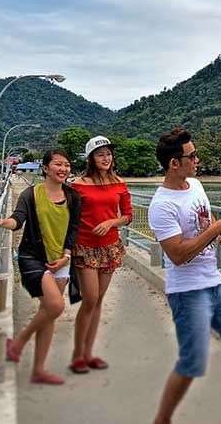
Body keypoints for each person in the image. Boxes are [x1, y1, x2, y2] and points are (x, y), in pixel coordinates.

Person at [147, 128, 221, 424]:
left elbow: (205, 225)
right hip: (188, 291)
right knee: (192, 362)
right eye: (192, 155)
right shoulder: (161, 205)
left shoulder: (196, 185)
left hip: (215, 282)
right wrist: (213, 231)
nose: (197, 160)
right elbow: (178, 255)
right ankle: (162, 419)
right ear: (174, 163)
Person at [0, 148, 81, 385]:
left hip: (60, 259)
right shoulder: (31, 194)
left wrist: (67, 256)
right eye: (58, 164)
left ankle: (38, 369)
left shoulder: (72, 197)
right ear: (46, 168)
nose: (63, 169)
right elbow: (18, 219)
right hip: (32, 257)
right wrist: (2, 222)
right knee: (56, 306)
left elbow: (73, 231)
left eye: (67, 165)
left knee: (48, 313)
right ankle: (19, 342)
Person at [69, 135, 133, 374]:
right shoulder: (78, 185)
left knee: (98, 302)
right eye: (100, 154)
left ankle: (88, 353)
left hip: (110, 247)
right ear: (91, 158)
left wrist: (112, 222)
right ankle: (77, 355)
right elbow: (67, 215)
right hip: (84, 247)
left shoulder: (120, 183)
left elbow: (128, 216)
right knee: (90, 299)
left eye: (108, 154)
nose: (106, 158)